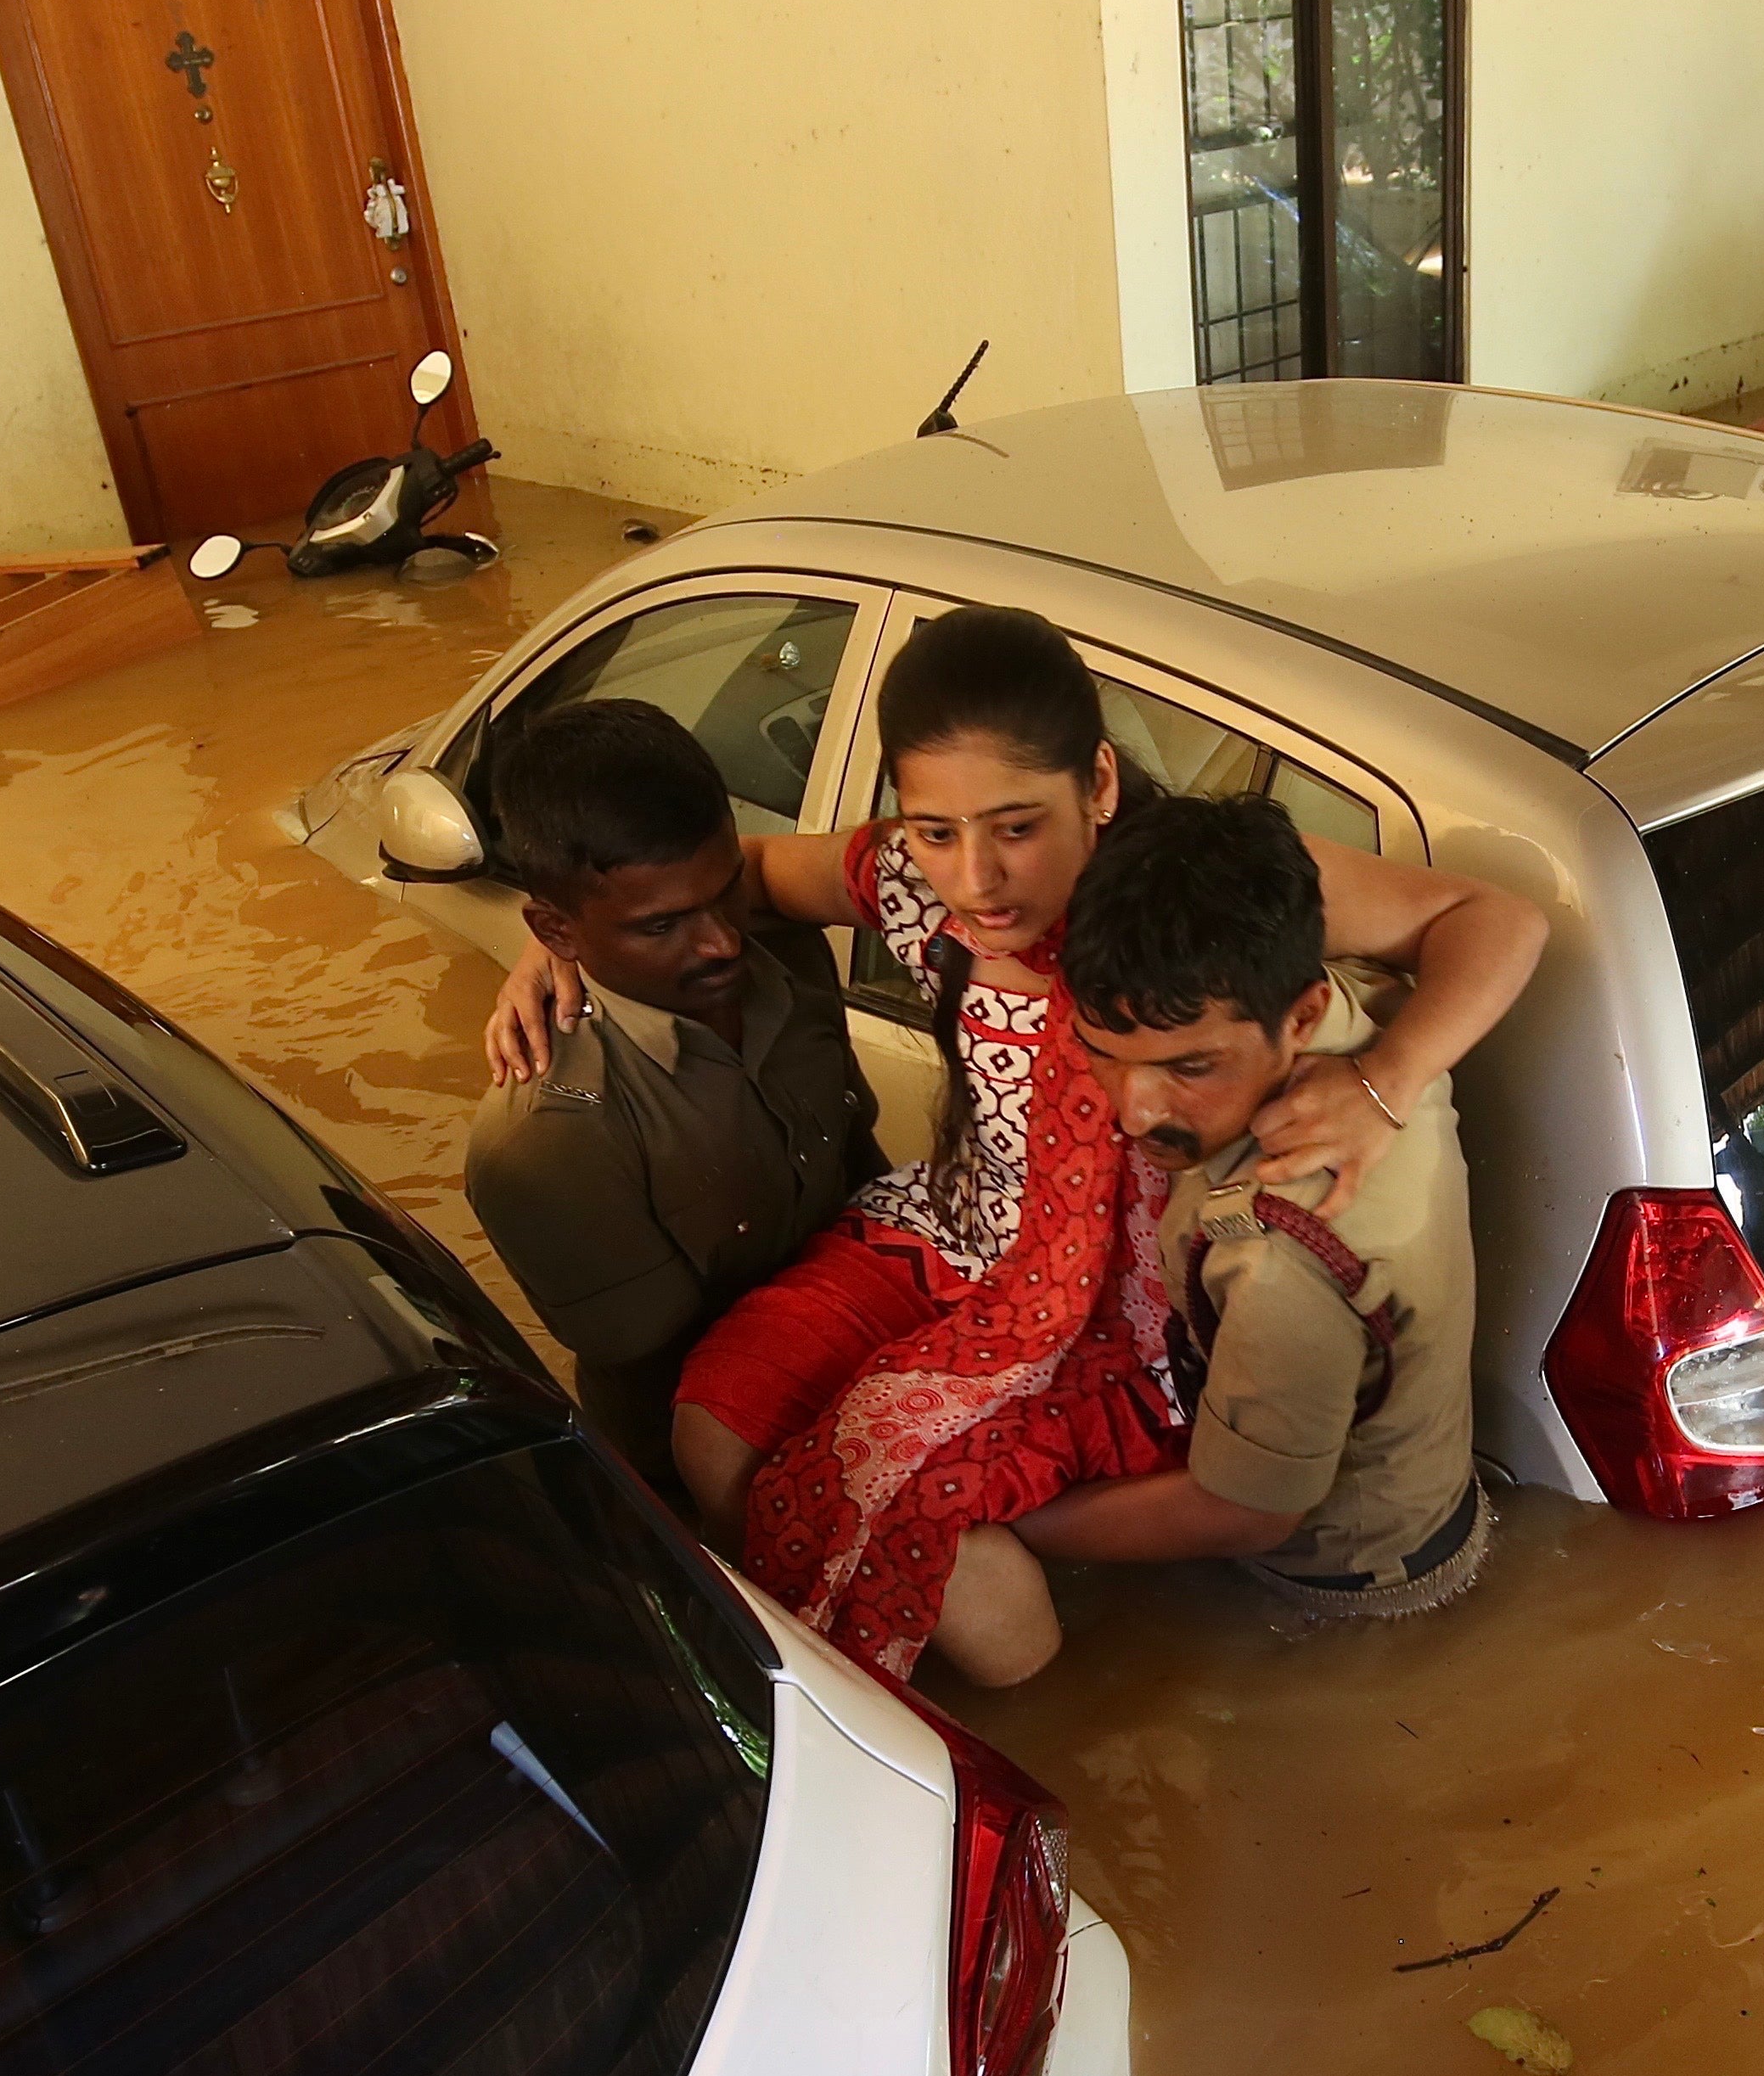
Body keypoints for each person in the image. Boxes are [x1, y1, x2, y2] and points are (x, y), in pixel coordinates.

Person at [480, 605, 1544, 1686]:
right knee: (713, 1428)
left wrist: (1385, 1078)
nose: (975, 881)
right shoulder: (900, 879)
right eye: (936, 830)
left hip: (1116, 1297)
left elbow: (1495, 919)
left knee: (969, 1586)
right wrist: (555, 948)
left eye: (1017, 827)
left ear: (1099, 785)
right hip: (953, 1226)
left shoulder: (1183, 897)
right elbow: (727, 876)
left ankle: (1001, 1735)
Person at [994, 793, 1486, 1640]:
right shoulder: (1371, 1027)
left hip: (1348, 1586)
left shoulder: (1275, 1259)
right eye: (1104, 1058)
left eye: (1188, 1067)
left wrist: (1019, 1528)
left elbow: (1246, 1516)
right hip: (1436, 1499)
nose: (1134, 1112)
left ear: (1295, 1017)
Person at [463, 699, 882, 1495]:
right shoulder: (548, 1142)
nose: (723, 940)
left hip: (883, 1353)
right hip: (723, 1477)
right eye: (662, 927)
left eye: (727, 892)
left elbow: (863, 1168)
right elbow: (664, 1381)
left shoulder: (784, 947)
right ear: (554, 931)